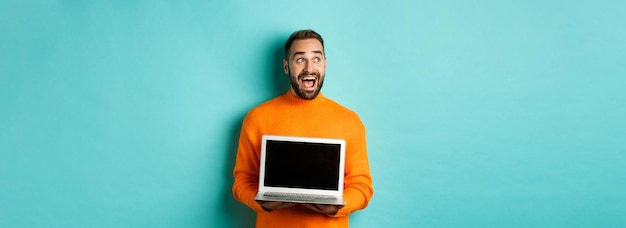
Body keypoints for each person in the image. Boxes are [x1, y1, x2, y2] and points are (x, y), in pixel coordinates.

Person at [232, 29, 374, 227]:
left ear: (325, 64)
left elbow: (363, 186)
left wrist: (338, 206)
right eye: (300, 60)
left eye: (316, 59)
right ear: (286, 66)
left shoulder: (349, 121)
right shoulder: (257, 118)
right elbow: (242, 182)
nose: (309, 68)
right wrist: (261, 202)